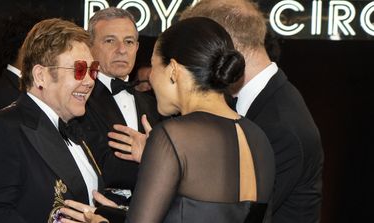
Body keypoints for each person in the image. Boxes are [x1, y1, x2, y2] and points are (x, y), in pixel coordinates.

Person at [60, 17, 275, 223]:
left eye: (154, 66)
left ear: (173, 70)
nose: (151, 77)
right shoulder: (258, 136)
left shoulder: (173, 136)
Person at [180, 1, 324, 223]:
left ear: (227, 44)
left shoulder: (282, 126)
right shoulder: (251, 101)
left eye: (199, 49)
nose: (194, 63)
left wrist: (170, 167)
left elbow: (236, 214)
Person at [0, 18, 104, 222]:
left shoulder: (75, 129)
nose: (90, 81)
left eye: (93, 70)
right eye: (79, 70)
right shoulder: (2, 129)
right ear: (40, 76)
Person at [76, 7, 161, 205]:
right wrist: (162, 166)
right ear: (90, 46)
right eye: (110, 40)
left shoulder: (155, 104)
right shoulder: (81, 98)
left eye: (129, 42)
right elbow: (102, 167)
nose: (122, 49)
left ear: (137, 48)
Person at [0, 10, 44, 115]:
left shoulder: (18, 86)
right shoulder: (4, 94)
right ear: (23, 49)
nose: (45, 53)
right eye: (40, 46)